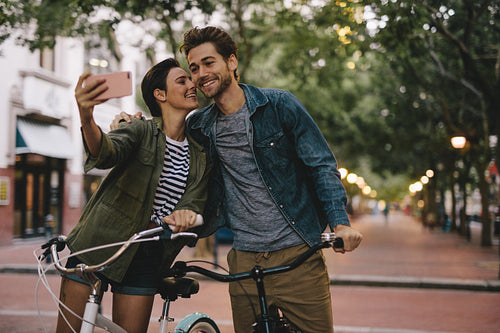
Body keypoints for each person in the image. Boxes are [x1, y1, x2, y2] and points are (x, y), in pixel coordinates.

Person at [116, 26, 363, 333]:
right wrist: (134, 124)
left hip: (299, 255)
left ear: (231, 62)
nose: (201, 73)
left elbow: (322, 165)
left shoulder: (279, 106)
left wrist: (339, 223)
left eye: (209, 63)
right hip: (245, 260)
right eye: (194, 68)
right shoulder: (200, 127)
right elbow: (166, 134)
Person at [57, 58, 211, 333]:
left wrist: (186, 215)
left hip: (148, 252)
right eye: (182, 80)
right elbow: (105, 152)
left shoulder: (199, 155)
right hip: (100, 242)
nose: (192, 84)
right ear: (160, 95)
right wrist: (86, 115)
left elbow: (193, 201)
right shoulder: (140, 129)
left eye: (190, 80)